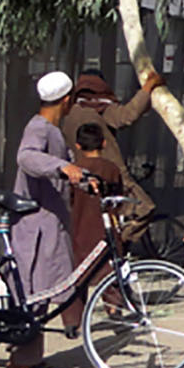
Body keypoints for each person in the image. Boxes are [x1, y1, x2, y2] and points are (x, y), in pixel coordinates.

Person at [7, 72, 86, 368]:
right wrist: (61, 166)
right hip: (37, 226)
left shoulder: (52, 130)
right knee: (35, 292)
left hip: (49, 223)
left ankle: (25, 357)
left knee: (40, 292)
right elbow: (26, 157)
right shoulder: (39, 128)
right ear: (67, 100)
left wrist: (83, 177)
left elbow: (64, 170)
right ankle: (25, 360)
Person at [63, 69, 165, 242]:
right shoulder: (100, 108)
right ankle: (117, 243)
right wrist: (148, 87)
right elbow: (128, 115)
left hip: (79, 176)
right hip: (109, 174)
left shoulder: (69, 113)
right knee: (145, 208)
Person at [61, 122, 124, 336]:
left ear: (78, 146)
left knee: (77, 277)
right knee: (110, 273)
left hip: (78, 230)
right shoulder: (111, 169)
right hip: (105, 230)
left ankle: (72, 322)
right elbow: (117, 198)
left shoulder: (74, 170)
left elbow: (68, 199)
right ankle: (114, 311)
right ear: (104, 143)